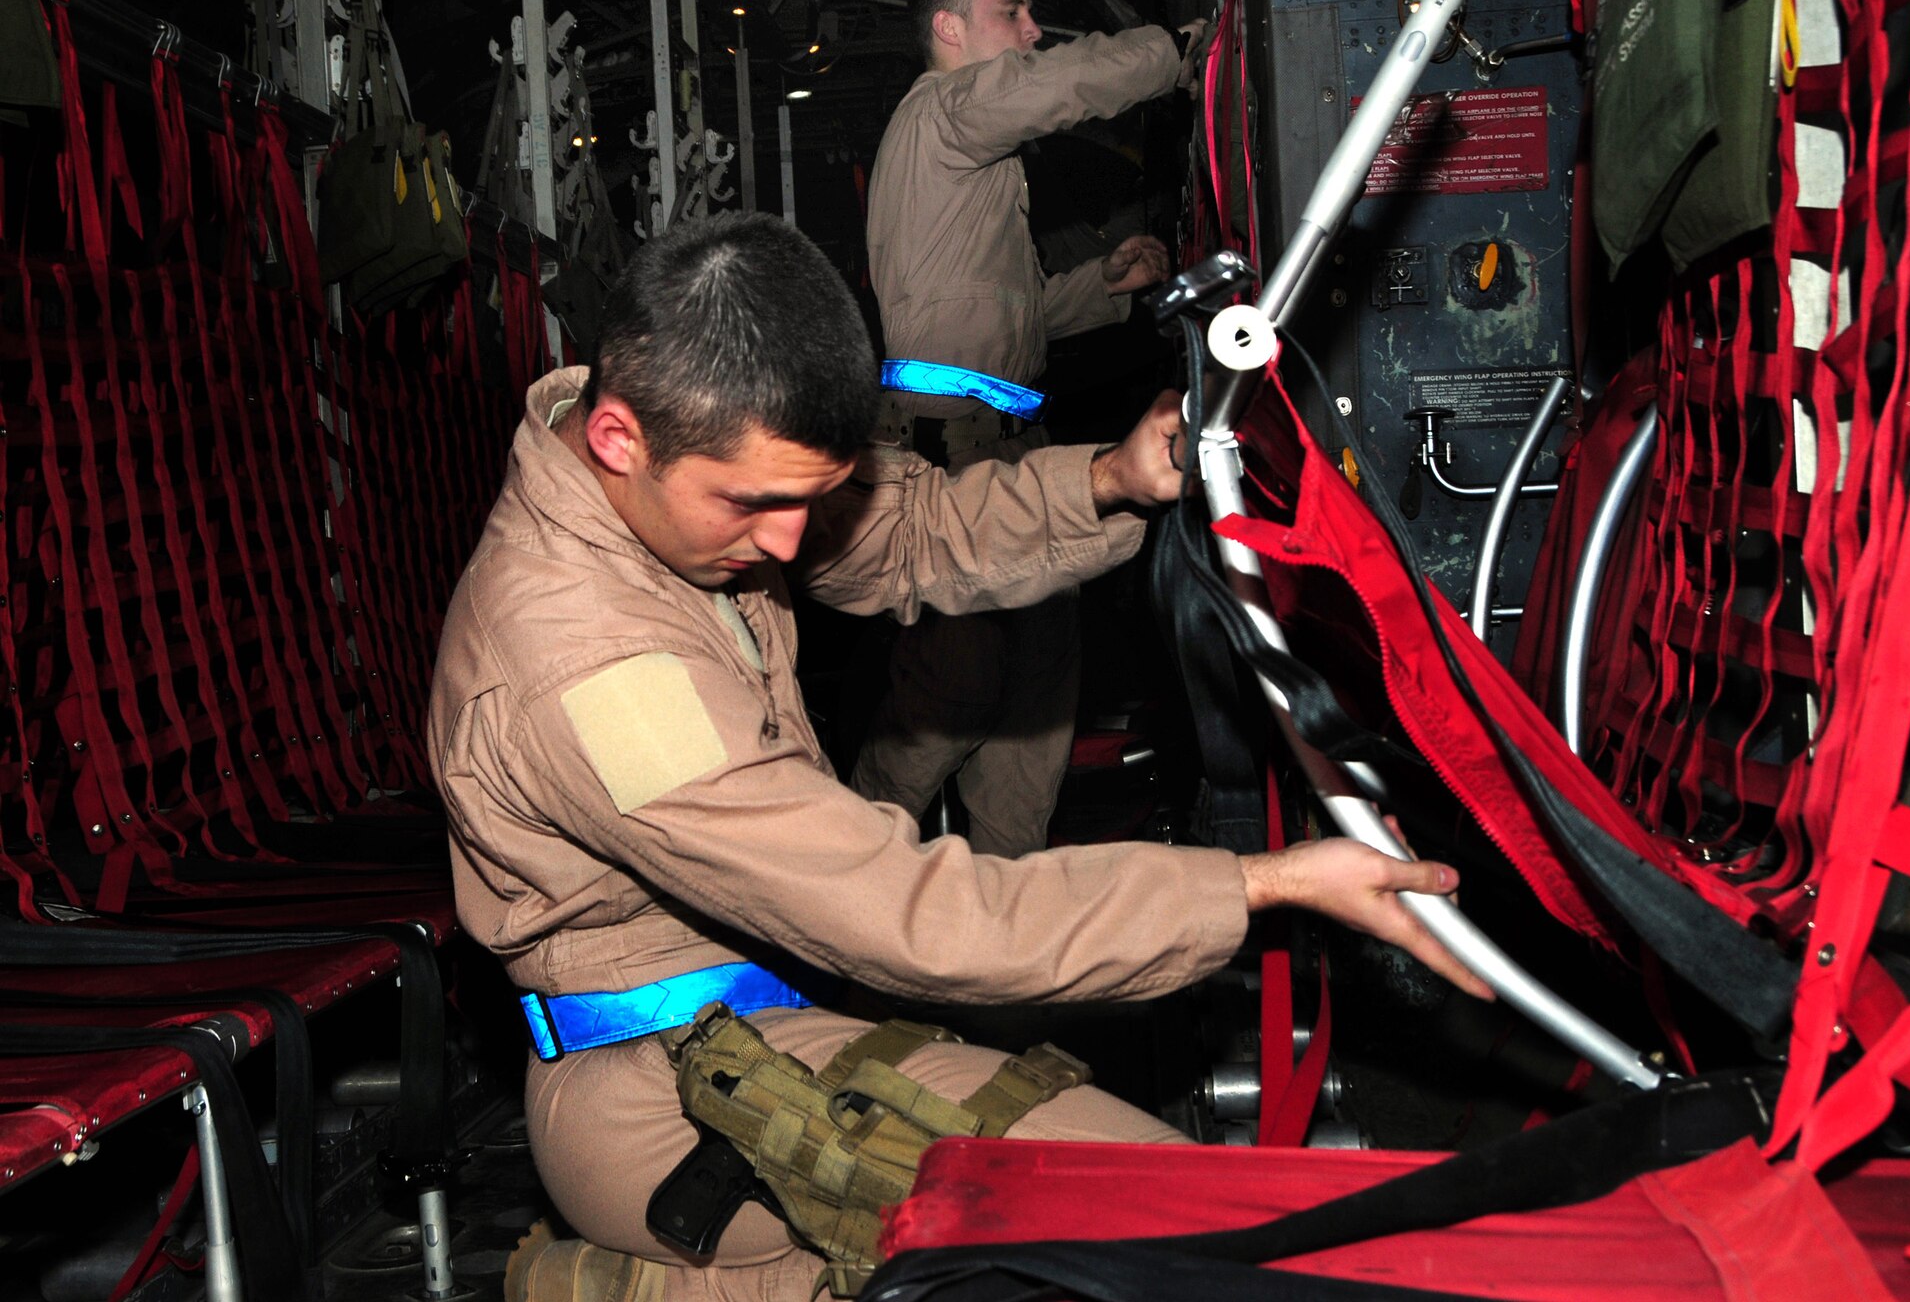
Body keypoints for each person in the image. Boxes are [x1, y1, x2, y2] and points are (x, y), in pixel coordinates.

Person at [429, 213, 1488, 1302]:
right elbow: (909, 913)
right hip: (672, 1092)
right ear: (614, 440)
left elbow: (902, 529)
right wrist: (1262, 885)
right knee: (1169, 1237)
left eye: (808, 497)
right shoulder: (586, 670)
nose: (793, 546)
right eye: (760, 506)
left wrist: (1110, 480)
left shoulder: (692, 465)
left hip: (781, 1011)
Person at [850, 0, 1210, 858]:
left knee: (1036, 713)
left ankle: (1005, 956)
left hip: (1004, 442)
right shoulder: (947, 108)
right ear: (949, 30)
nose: (1030, 30)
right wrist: (1177, 51)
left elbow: (1000, 319)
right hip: (949, 453)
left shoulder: (961, 156)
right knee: (953, 695)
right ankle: (840, 882)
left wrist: (1106, 286)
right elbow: (1065, 82)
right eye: (1011, 13)